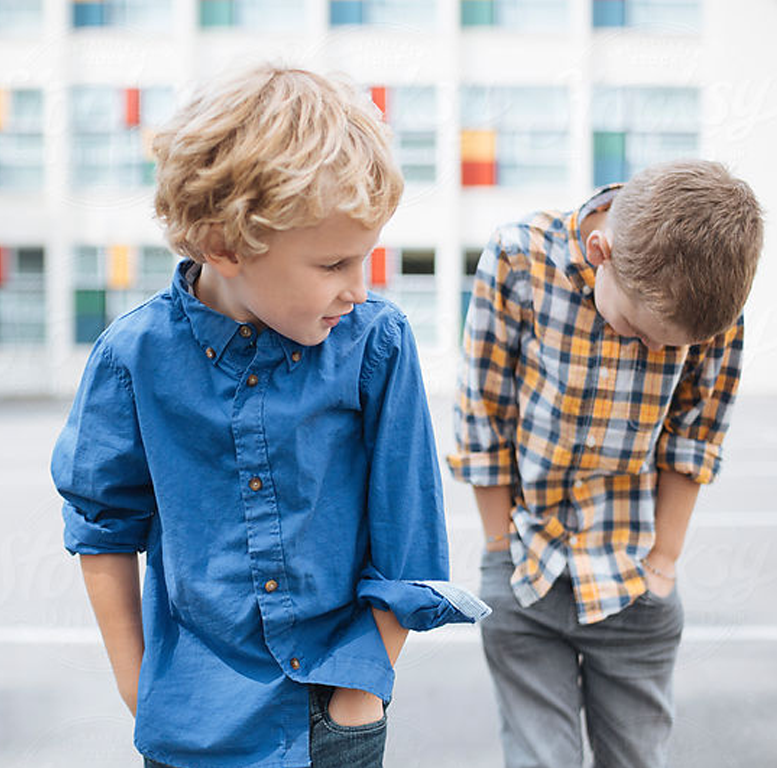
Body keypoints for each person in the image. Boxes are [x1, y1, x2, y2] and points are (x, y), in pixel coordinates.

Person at [50, 65, 489, 768]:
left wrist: (358, 687)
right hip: (188, 724)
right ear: (225, 246)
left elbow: (409, 536)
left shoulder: (376, 342)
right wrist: (140, 689)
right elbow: (102, 526)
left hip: (333, 715)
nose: (359, 286)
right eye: (334, 263)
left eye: (367, 257)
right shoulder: (133, 356)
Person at [448, 159, 764, 768]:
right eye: (638, 330)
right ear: (601, 252)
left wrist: (663, 564)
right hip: (524, 572)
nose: (654, 352)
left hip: (631, 584)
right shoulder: (519, 259)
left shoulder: (711, 308)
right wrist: (495, 550)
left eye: (669, 349)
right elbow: (483, 418)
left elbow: (693, 438)